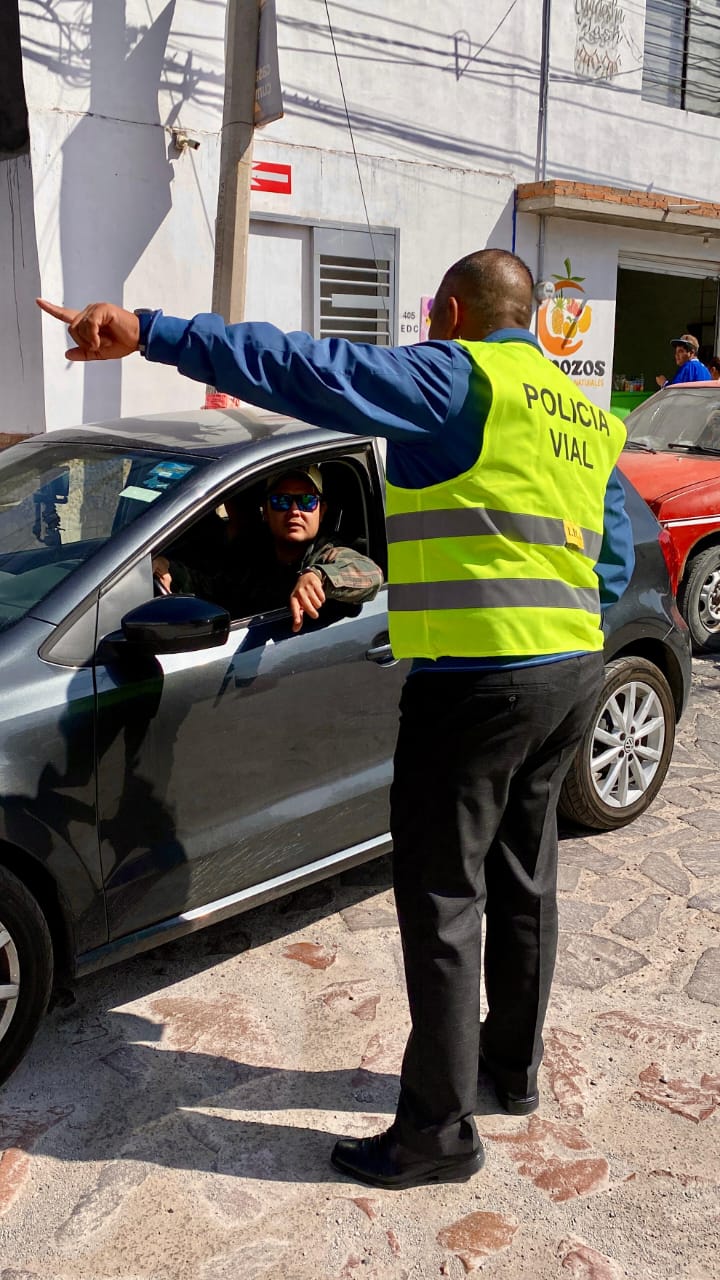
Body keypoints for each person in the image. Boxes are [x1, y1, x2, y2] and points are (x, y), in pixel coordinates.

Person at [38, 248, 634, 1192]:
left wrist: (150, 331)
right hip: (563, 669)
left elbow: (310, 367)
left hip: (473, 681)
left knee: (444, 904)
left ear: (447, 312)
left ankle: (437, 1134)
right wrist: (576, 635)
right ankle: (508, 1073)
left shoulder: (457, 377)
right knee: (524, 879)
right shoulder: (581, 414)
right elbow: (615, 546)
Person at [152, 465, 383, 632]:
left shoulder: (327, 552)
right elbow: (215, 587)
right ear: (266, 511)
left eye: (306, 502)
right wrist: (171, 569)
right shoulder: (253, 555)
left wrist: (318, 577)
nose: (294, 511)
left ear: (321, 511)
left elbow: (371, 574)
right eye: (282, 501)